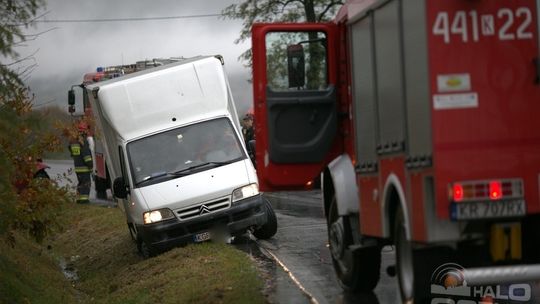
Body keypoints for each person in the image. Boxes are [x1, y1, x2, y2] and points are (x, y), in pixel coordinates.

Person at [69, 122, 93, 204]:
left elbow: (73, 153)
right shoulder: (83, 142)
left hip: (77, 168)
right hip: (84, 168)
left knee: (80, 183)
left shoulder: (73, 142)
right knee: (86, 184)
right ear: (84, 132)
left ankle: (79, 199)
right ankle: (84, 200)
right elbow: (86, 155)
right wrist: (90, 164)